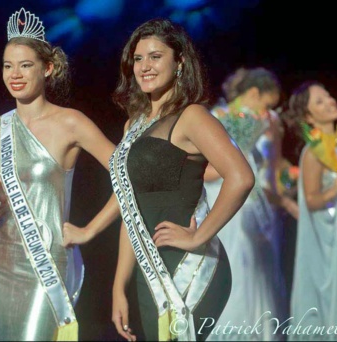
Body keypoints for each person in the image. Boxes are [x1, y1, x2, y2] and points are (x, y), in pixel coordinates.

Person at [0, 7, 116, 341]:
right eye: (8, 65)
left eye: (25, 65)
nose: (15, 73)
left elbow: (128, 175)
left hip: (48, 265)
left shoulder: (71, 122)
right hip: (1, 264)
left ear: (48, 68)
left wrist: (89, 231)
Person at [66, 18, 254, 341]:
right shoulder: (133, 126)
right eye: (138, 59)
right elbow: (130, 208)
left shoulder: (191, 116)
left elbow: (241, 177)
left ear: (179, 62)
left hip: (190, 267)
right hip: (148, 271)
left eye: (155, 57)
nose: (144, 66)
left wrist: (198, 237)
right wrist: (118, 285)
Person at [203, 67, 288, 341]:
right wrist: (234, 154)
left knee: (258, 268)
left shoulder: (269, 121)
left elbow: (273, 168)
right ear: (253, 93)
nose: (268, 110)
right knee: (231, 263)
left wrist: (274, 144)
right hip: (220, 195)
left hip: (256, 203)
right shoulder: (215, 117)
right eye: (265, 104)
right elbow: (205, 170)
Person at [284, 81, 337, 341]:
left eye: (329, 96)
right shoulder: (313, 153)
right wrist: (335, 190)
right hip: (330, 238)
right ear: (309, 117)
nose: (331, 102)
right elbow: (310, 200)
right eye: (320, 101)